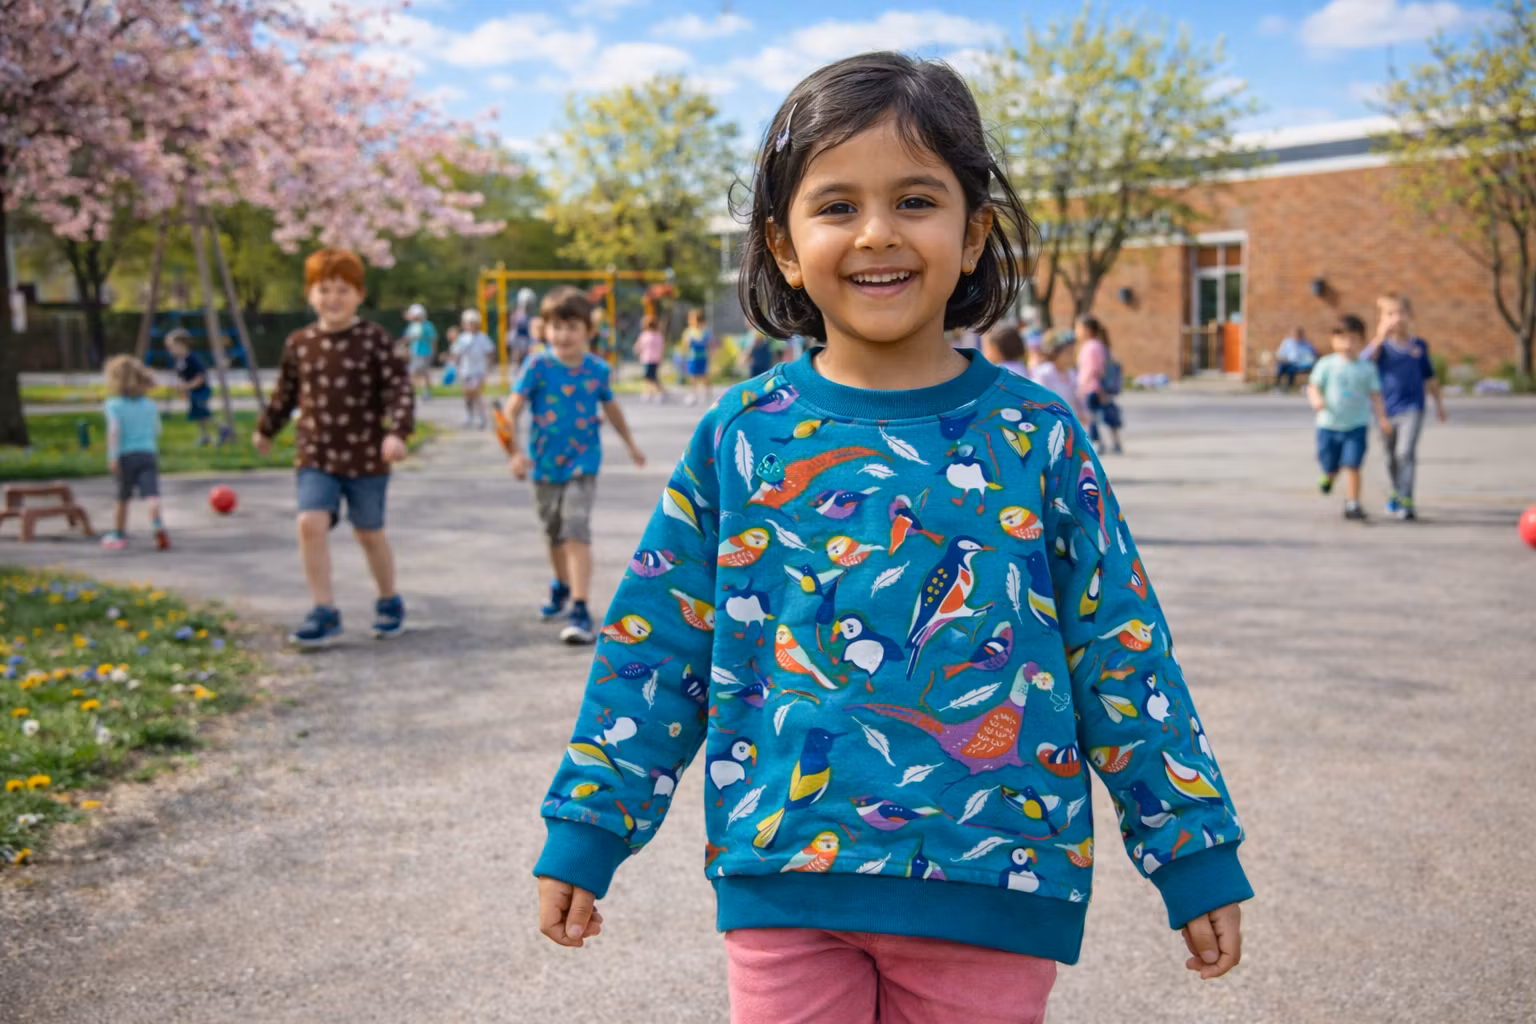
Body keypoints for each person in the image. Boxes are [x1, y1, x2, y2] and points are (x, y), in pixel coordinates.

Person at [532, 52, 1249, 1023]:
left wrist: (1193, 846)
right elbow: (656, 646)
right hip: (785, 873)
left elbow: (1118, 646)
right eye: (836, 207)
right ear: (784, 246)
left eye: (917, 199)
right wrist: (589, 823)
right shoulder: (743, 436)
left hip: (993, 883)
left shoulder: (1034, 435)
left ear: (973, 233)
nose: (877, 232)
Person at [253, 248, 414, 647]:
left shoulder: (374, 339)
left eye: (343, 290)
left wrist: (397, 432)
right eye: (324, 290)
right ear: (310, 295)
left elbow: (399, 391)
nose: (333, 298)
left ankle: (388, 599)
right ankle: (323, 610)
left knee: (369, 532)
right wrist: (267, 429)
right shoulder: (300, 343)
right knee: (310, 524)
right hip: (316, 454)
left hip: (366, 456)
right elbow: (285, 393)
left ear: (359, 294)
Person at [503, 286, 646, 644]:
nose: (563, 335)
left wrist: (631, 445)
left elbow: (611, 409)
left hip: (583, 463)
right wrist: (514, 454)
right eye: (556, 326)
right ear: (545, 330)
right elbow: (510, 412)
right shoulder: (536, 365)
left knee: (575, 529)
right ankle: (562, 585)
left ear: (587, 330)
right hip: (544, 464)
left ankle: (580, 607)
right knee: (553, 533)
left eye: (571, 327)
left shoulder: (597, 369)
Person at [1363, 293, 1448, 520]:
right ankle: (1396, 491)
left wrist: (1439, 404)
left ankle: (1406, 500)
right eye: (1390, 314)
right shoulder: (1381, 348)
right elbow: (1361, 364)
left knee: (1405, 452)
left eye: (1400, 312)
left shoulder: (1418, 346)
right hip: (1385, 410)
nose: (1396, 318)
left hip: (1413, 407)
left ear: (1410, 315)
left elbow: (1429, 377)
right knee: (1389, 456)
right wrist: (1379, 338)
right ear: (1382, 318)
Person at [1308, 315, 1391, 521]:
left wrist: (1382, 418)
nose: (1348, 344)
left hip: (1356, 425)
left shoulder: (1366, 368)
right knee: (1330, 463)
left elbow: (1375, 394)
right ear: (1333, 340)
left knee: (1353, 465)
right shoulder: (1326, 364)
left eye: (1353, 339)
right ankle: (1328, 476)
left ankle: (1352, 503)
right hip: (1329, 425)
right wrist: (1317, 400)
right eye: (1342, 338)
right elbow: (1313, 386)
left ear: (1362, 341)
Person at [100, 354, 168, 551]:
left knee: (122, 497)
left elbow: (114, 432)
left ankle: (118, 534)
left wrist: (112, 457)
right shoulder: (150, 405)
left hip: (125, 455)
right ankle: (158, 526)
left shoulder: (113, 405)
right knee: (151, 495)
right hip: (148, 454)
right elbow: (157, 430)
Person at [1076, 314, 1124, 454]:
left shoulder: (1091, 347)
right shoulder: (1099, 346)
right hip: (1098, 388)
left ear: (1087, 330)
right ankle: (1113, 442)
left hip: (1092, 387)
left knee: (1091, 416)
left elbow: (1093, 369)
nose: (1076, 332)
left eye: (1078, 328)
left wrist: (1082, 386)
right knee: (1103, 415)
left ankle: (1096, 442)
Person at [165, 328, 213, 446]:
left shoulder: (192, 358)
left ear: (181, 344)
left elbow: (200, 377)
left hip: (201, 390)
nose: (169, 350)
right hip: (193, 391)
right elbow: (182, 376)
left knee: (203, 413)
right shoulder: (179, 360)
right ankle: (204, 436)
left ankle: (219, 430)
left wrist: (187, 386)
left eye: (171, 346)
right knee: (197, 414)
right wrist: (183, 389)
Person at [449, 309, 496, 429]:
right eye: (468, 323)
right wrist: (455, 365)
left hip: (478, 371)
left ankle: (482, 418)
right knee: (467, 396)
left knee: (476, 394)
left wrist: (490, 365)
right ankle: (469, 415)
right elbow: (456, 353)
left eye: (472, 323)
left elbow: (490, 351)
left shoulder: (482, 337)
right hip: (465, 371)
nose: (470, 326)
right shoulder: (462, 338)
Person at [1025, 333, 1087, 422]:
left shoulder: (1071, 373)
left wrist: (1081, 414)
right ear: (1055, 353)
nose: (1072, 356)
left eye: (1073, 352)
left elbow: (1078, 400)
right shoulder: (1043, 373)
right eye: (1068, 353)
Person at [403, 303, 438, 401]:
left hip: (425, 352)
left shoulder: (428, 325)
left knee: (423, 373)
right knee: (413, 373)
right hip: (415, 352)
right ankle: (414, 391)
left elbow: (433, 339)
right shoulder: (412, 326)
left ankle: (427, 392)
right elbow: (407, 340)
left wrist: (433, 352)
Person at [680, 308, 713, 406]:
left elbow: (707, 342)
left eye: (692, 319)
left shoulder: (705, 331)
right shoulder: (689, 331)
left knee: (703, 376)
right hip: (692, 357)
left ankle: (707, 394)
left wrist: (697, 342)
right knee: (693, 376)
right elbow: (685, 343)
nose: (690, 321)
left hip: (702, 357)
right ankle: (693, 395)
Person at [633, 314, 668, 403]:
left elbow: (639, 345)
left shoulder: (648, 335)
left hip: (651, 359)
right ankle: (649, 392)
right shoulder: (654, 335)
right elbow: (639, 345)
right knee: (648, 377)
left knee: (651, 377)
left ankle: (658, 392)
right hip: (648, 359)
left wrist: (637, 349)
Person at [1273, 327, 1316, 392]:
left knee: (1292, 369)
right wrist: (1282, 359)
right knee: (1281, 367)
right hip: (1287, 362)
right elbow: (1280, 353)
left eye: (1299, 335)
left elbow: (1311, 354)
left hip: (1299, 364)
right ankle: (1277, 386)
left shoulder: (1306, 343)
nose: (1297, 336)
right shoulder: (1287, 342)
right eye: (1295, 334)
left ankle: (1289, 386)